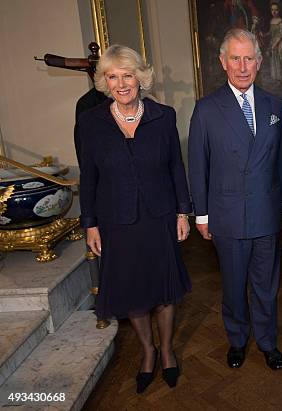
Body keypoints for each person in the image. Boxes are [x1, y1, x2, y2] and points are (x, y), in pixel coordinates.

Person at [77, 45, 192, 394]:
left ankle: (168, 350)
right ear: (104, 81)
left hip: (158, 218)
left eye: (127, 75)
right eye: (113, 76)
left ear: (140, 77)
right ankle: (148, 351)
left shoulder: (163, 116)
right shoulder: (90, 123)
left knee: (163, 292)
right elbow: (89, 177)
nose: (121, 83)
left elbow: (176, 166)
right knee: (134, 294)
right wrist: (90, 223)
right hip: (117, 222)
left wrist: (182, 211)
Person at [188, 28, 282, 371]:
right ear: (223, 62)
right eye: (235, 58)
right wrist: (201, 215)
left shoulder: (275, 105)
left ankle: (268, 342)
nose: (242, 66)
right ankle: (237, 340)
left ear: (259, 62)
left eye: (249, 58)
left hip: (266, 211)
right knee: (232, 285)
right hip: (226, 214)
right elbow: (197, 167)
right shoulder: (206, 109)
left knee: (266, 285)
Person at [265, 2, 282, 87]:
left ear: (279, 11)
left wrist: (274, 45)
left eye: (276, 10)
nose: (274, 12)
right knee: (274, 61)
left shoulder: (280, 21)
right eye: (272, 10)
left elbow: (280, 35)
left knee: (281, 61)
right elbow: (271, 32)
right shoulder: (271, 21)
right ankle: (277, 79)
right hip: (273, 42)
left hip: (279, 43)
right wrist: (263, 35)